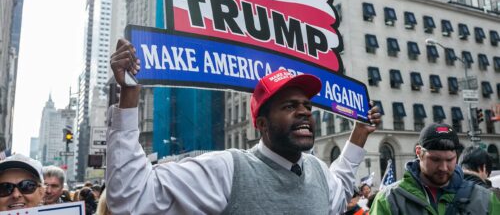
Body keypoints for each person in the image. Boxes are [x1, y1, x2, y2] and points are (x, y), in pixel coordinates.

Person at [106, 38, 381, 214]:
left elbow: (341, 186)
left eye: (307, 106)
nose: (303, 112)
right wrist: (129, 96)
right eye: (289, 106)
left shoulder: (319, 172)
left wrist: (358, 135)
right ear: (261, 124)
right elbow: (131, 197)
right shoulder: (227, 170)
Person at [370, 123, 500, 214]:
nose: (443, 167)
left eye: (450, 160)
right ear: (418, 153)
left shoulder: (485, 199)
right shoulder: (388, 199)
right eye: (435, 159)